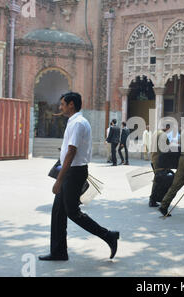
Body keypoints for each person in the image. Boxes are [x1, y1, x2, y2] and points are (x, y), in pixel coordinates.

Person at [39, 92, 119, 261]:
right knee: (58, 212)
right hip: (71, 171)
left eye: (62, 104)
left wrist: (59, 180)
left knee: (72, 212)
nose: (60, 107)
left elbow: (72, 151)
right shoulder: (74, 121)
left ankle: (108, 236)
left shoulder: (78, 123)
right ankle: (58, 251)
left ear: (71, 105)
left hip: (73, 173)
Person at [148, 125, 170, 207]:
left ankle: (155, 199)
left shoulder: (155, 133)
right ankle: (153, 199)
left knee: (157, 179)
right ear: (167, 127)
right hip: (160, 161)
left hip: (154, 158)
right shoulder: (163, 135)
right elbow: (167, 148)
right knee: (158, 180)